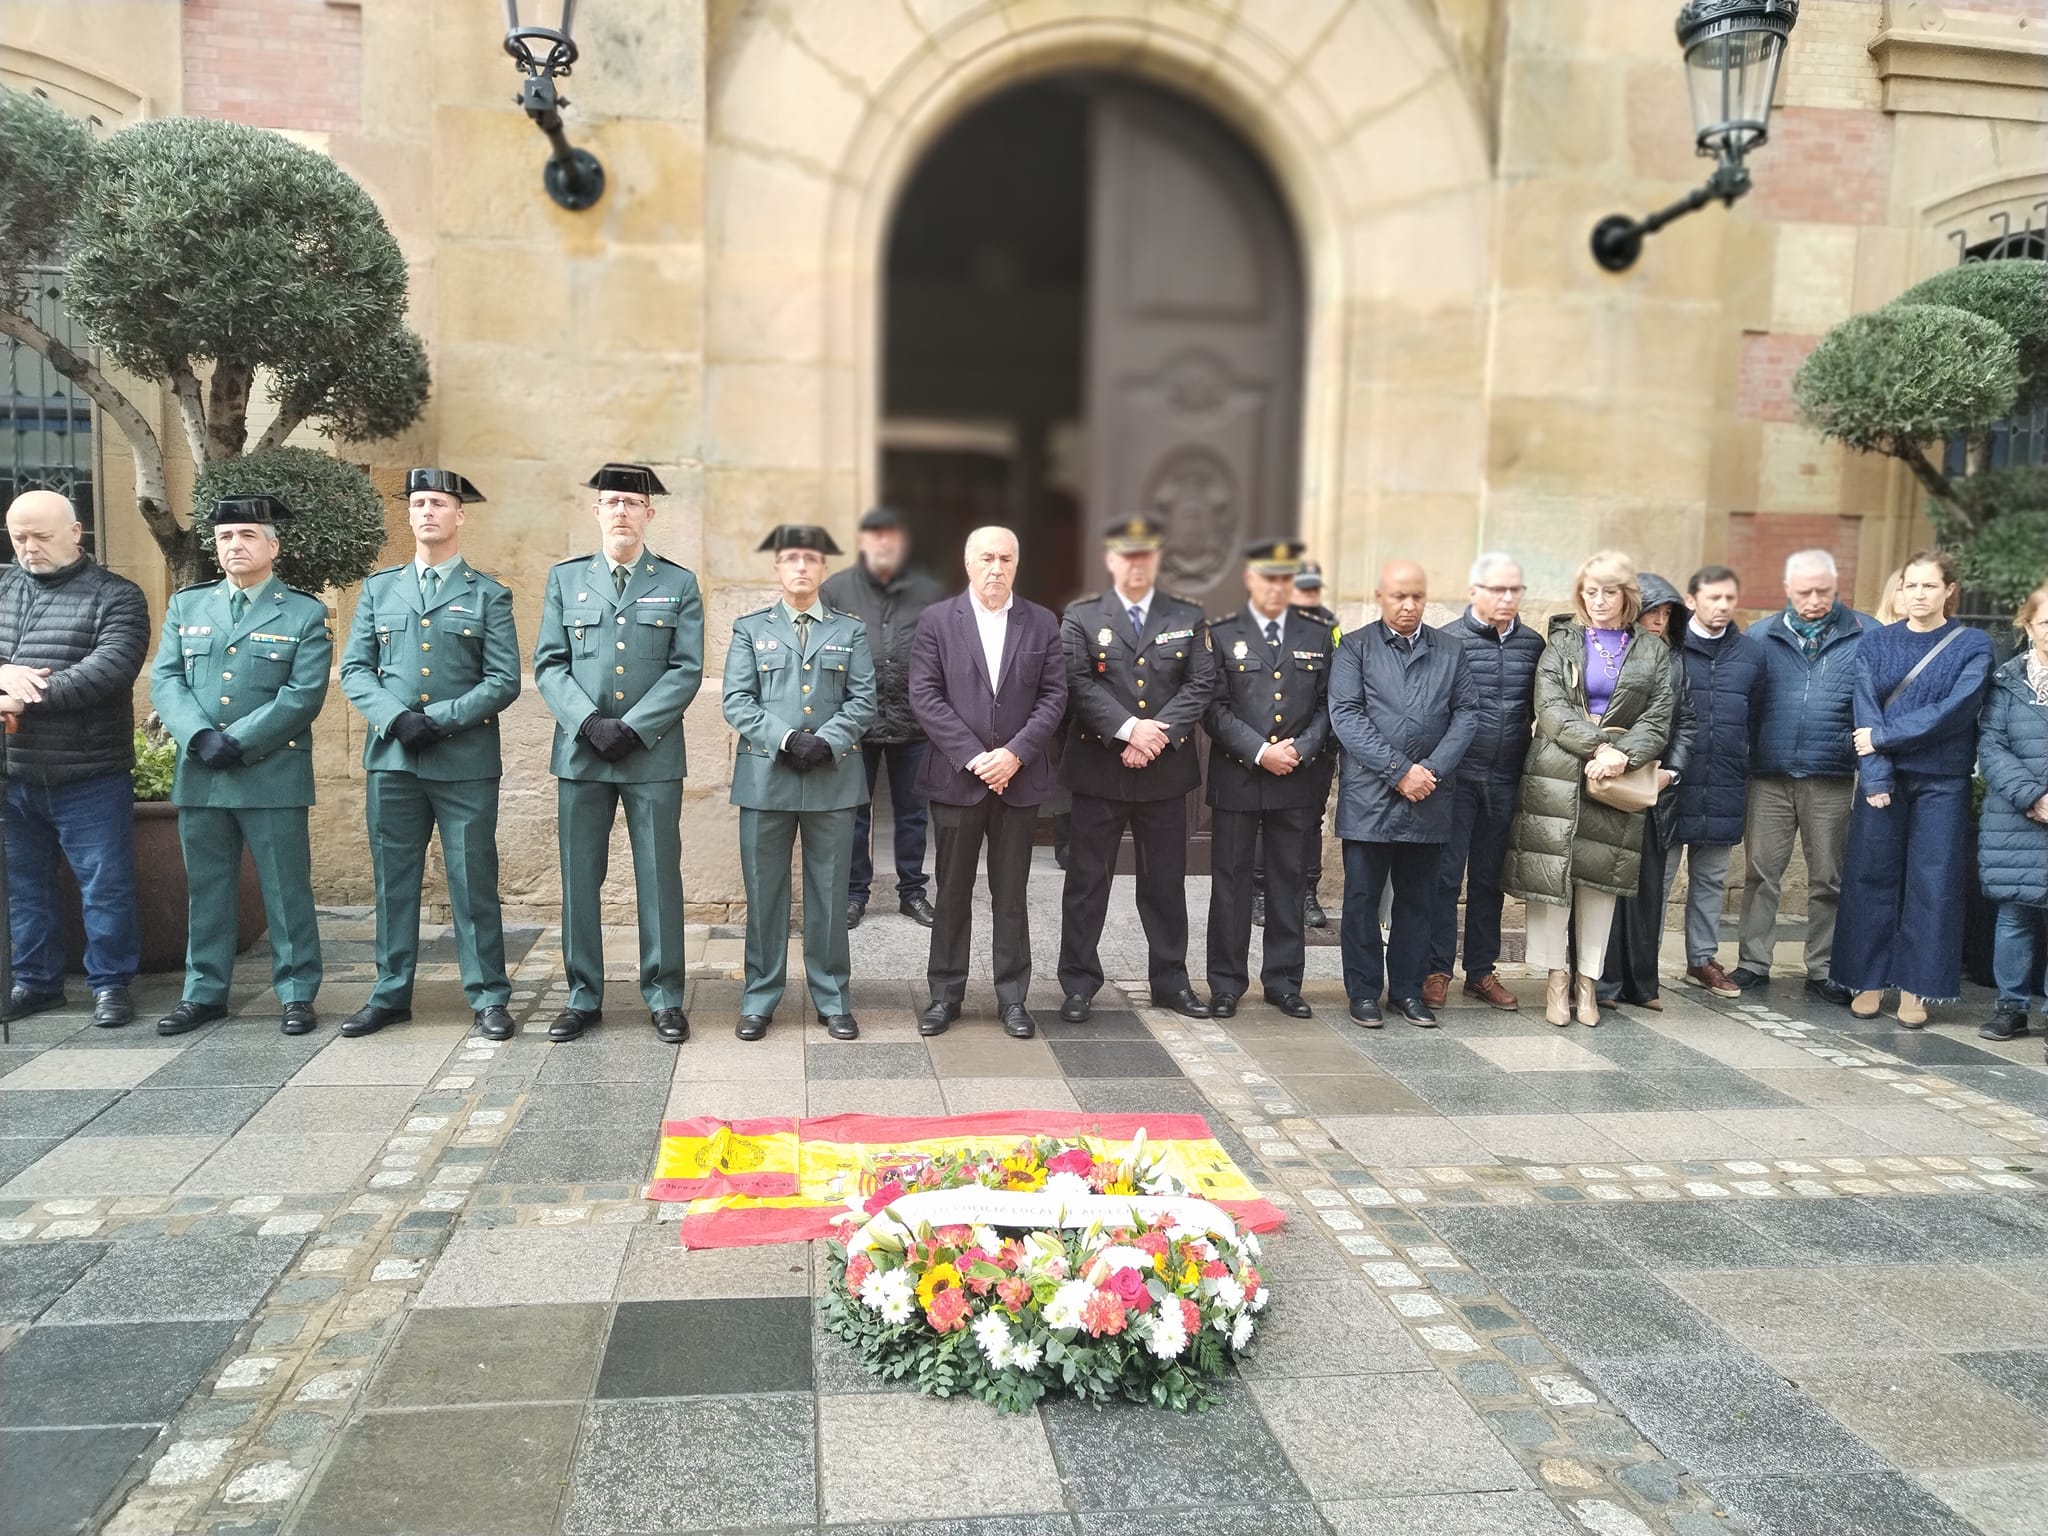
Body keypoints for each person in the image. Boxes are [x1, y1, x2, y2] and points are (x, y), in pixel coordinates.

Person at [337, 469, 520, 1041]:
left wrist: (435, 720)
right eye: (418, 503)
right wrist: (396, 719)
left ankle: (488, 995)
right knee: (393, 881)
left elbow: (503, 679)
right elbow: (355, 669)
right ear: (409, 515)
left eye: (438, 503)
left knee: (472, 880)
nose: (427, 513)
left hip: (463, 760)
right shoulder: (379, 589)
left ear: (459, 515)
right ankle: (390, 993)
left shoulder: (488, 593)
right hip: (393, 759)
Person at [148, 496, 333, 1036]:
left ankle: (297, 992)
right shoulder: (187, 606)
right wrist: (200, 735)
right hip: (203, 768)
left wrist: (240, 740)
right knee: (207, 888)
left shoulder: (304, 611)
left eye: (248, 535)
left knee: (285, 887)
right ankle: (204, 992)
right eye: (226, 537)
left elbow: (303, 695)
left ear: (273, 546)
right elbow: (166, 680)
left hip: (271, 771)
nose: (235, 545)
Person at [533, 464, 705, 1043]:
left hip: (650, 754)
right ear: (597, 512)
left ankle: (664, 996)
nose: (622, 511)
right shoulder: (567, 580)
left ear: (650, 513)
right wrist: (588, 723)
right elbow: (549, 664)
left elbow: (686, 669)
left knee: (659, 876)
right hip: (582, 755)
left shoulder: (677, 583)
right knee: (580, 878)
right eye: (612, 502)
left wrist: (632, 728)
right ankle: (583, 996)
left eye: (633, 502)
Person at [1503, 550, 1676, 1028]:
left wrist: (1623, 755)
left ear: (1627, 596)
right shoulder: (1562, 641)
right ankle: (1556, 981)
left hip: (1616, 779)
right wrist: (1601, 747)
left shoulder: (1653, 650)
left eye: (1609, 591)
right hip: (1557, 774)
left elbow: (1659, 717)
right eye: (1590, 591)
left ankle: (1588, 984)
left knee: (1600, 884)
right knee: (1552, 881)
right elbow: (1551, 708)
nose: (1598, 601)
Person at [1056, 515, 1219, 1023]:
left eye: (1145, 555)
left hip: (1164, 772)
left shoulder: (1188, 615)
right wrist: (1129, 730)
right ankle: (1079, 984)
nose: (1136, 564)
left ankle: (1170, 981)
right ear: (1111, 561)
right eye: (1127, 555)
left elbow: (1201, 683)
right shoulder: (1081, 616)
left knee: (1165, 883)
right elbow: (1075, 683)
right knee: (1086, 883)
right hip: (1099, 770)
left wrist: (1157, 734)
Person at [0, 490, 151, 1027]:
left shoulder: (118, 596)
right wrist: (2, 677)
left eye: (41, 536)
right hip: (13, 770)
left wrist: (26, 694)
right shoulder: (3, 585)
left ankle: (111, 984)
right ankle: (35, 982)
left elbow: (109, 669)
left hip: (88, 772)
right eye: (19, 537)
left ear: (76, 532)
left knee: (104, 885)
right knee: (23, 886)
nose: (29, 547)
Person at [909, 526, 1067, 1039]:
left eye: (1005, 559)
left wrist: (1015, 754)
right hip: (959, 778)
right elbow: (925, 695)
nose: (996, 568)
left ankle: (1013, 998)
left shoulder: (1041, 623)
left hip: (1018, 781)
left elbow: (1054, 697)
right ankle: (944, 995)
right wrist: (977, 758)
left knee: (1011, 893)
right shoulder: (937, 620)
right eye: (986, 558)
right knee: (951, 890)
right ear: (967, 562)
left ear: (1017, 564)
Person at [723, 525, 878, 1041]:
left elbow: (862, 702)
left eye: (811, 559)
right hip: (767, 778)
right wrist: (789, 739)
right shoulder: (751, 629)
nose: (802, 568)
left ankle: (833, 996)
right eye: (791, 559)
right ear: (777, 568)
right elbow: (737, 700)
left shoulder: (849, 630)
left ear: (823, 569)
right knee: (764, 894)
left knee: (830, 896)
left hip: (832, 779)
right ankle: (759, 998)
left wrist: (826, 741)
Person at [1832, 549, 1993, 1025]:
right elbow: (1865, 707)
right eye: (1910, 585)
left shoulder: (1973, 644)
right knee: (1869, 877)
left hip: (1943, 780)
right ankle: (1867, 978)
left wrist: (1883, 737)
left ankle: (1916, 988)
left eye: (1928, 585)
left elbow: (1955, 710)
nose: (1918, 594)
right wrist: (1877, 772)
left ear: (1948, 591)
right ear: (1899, 591)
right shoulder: (1876, 643)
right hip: (1885, 779)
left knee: (1933, 883)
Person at [1329, 560, 1478, 1027]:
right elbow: (1347, 716)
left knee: (1419, 899)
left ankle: (1408, 991)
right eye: (1399, 596)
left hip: (1429, 797)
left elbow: (1467, 714)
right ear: (1380, 596)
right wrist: (1399, 772)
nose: (1409, 605)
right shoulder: (1355, 648)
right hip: (1371, 797)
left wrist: (1429, 771)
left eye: (1417, 596)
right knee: (1361, 900)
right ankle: (1364, 992)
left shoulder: (1451, 651)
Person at [1731, 550, 1872, 1002]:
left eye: (1823, 591)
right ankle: (1753, 961)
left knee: (1828, 877)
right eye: (1804, 591)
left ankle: (1824, 966)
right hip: (1768, 774)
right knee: (1759, 873)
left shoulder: (1866, 634)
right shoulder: (1760, 635)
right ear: (1787, 590)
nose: (1814, 600)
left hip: (1831, 773)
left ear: (1837, 587)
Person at [1202, 539, 1333, 1019]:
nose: (1276, 587)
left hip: (1297, 777)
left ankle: (1283, 981)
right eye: (1268, 578)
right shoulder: (1220, 631)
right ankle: (1225, 982)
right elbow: (1212, 707)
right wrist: (1260, 751)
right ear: (1250, 580)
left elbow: (1328, 705)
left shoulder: (1319, 633)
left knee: (1288, 882)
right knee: (1231, 885)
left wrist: (1301, 748)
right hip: (1238, 776)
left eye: (1285, 578)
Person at [1422, 551, 1543, 1012]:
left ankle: (1480, 971)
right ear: (1474, 592)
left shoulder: (1533, 645)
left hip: (1506, 777)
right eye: (1497, 589)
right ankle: (1437, 968)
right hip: (1457, 780)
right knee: (1445, 879)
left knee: (1490, 879)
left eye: (1515, 589)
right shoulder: (1446, 641)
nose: (1507, 598)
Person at [821, 506, 943, 932]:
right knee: (856, 812)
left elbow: (943, 651)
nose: (884, 543)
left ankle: (913, 893)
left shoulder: (929, 591)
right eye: (876, 536)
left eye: (892, 536)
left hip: (915, 721)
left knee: (913, 813)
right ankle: (855, 895)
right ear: (862, 542)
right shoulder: (835, 590)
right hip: (856, 722)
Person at [1666, 565, 1765, 998]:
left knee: (1710, 879)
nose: (1722, 606)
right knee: (1658, 877)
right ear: (1691, 601)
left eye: (1729, 598)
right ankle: (1640, 963)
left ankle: (1702, 959)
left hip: (1724, 780)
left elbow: (1756, 716)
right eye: (1713, 598)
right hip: (1671, 782)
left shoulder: (1751, 654)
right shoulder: (1668, 648)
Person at [1600, 574, 1695, 1010]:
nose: (1658, 621)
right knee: (1604, 887)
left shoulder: (1675, 662)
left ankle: (1642, 984)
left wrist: (1670, 773)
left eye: (1666, 614)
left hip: (1654, 790)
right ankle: (1603, 983)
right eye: (1651, 612)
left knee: (1646, 889)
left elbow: (1686, 723)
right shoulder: (1607, 655)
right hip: (1607, 779)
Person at [1251, 559, 1342, 931]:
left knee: (1310, 823)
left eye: (1309, 588)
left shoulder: (1328, 627)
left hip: (1314, 748)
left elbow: (1336, 689)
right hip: (1269, 749)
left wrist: (1310, 745)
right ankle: (1259, 893)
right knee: (1261, 821)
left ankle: (1307, 892)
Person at [1977, 583, 2048, 1041]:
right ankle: (2011, 1007)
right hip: (2016, 815)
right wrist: (2033, 797)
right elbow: (1992, 745)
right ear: (2027, 624)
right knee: (2016, 915)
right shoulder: (2006, 680)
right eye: (2046, 622)